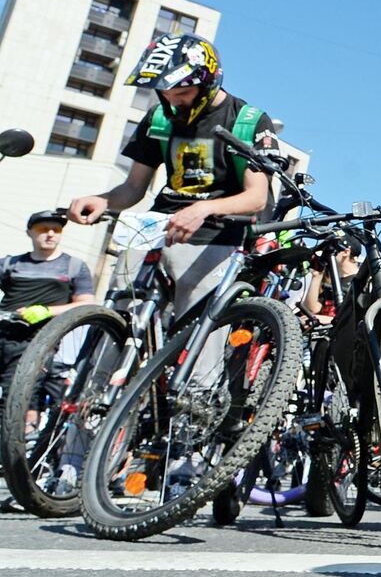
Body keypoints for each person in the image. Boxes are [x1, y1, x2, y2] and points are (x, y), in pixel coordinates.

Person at [68, 34, 277, 322]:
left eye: (182, 95)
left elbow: (256, 198)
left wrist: (203, 209)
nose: (173, 104)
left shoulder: (247, 120)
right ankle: (101, 363)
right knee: (119, 309)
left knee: (200, 333)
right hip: (156, 227)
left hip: (217, 234)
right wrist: (103, 200)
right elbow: (133, 187)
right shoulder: (159, 117)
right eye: (166, 96)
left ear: (208, 82)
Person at [0, 210, 100, 493]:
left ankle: (19, 464)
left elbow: (86, 304)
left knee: (18, 399)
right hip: (5, 332)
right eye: (44, 228)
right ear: (31, 231)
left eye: (57, 229)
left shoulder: (74, 267)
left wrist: (46, 311)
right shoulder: (10, 264)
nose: (50, 234)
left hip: (41, 342)